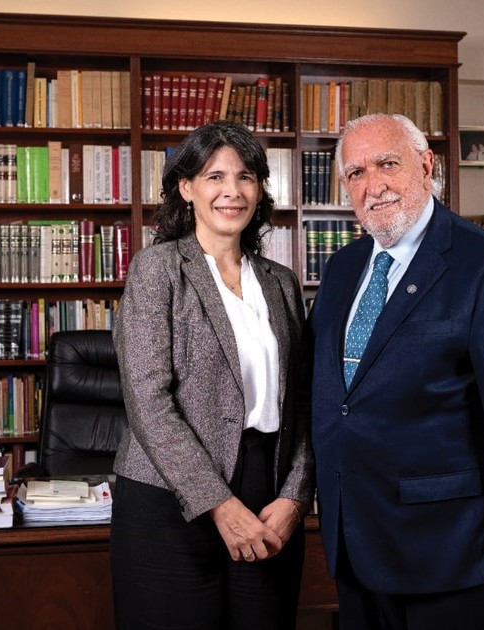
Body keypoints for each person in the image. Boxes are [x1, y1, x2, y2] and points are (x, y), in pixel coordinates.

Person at [304, 113, 484, 629]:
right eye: (356, 173)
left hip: (449, 547)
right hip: (355, 540)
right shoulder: (343, 268)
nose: (374, 185)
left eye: (387, 164)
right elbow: (335, 397)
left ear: (426, 165)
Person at [110, 119, 313, 630]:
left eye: (246, 176)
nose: (232, 191)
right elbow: (148, 402)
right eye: (215, 176)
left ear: (259, 189)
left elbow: (304, 401)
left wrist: (295, 496)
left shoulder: (281, 283)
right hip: (168, 497)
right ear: (186, 188)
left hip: (267, 491)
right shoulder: (157, 270)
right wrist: (218, 503)